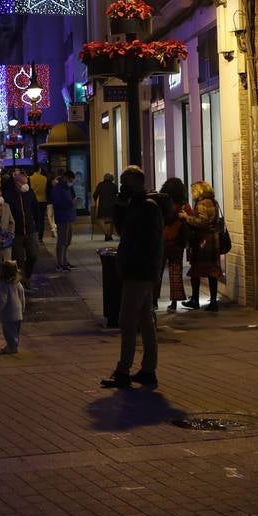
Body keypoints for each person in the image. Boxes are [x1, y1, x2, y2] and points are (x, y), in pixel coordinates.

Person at [101, 167, 164, 389]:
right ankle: (148, 369)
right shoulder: (136, 204)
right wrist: (120, 205)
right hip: (139, 270)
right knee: (145, 319)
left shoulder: (147, 207)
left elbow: (143, 241)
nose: (122, 186)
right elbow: (121, 230)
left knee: (127, 320)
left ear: (138, 182)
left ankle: (123, 370)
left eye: (125, 182)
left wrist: (145, 268)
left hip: (139, 271)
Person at [182, 181, 225, 311]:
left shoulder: (202, 204)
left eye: (193, 190)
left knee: (196, 269)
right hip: (213, 240)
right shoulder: (213, 202)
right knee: (212, 270)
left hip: (203, 241)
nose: (192, 194)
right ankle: (213, 301)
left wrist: (187, 217)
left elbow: (202, 222)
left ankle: (195, 299)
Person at [2, 169, 40, 287]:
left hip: (30, 230)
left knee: (33, 255)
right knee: (18, 259)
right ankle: (23, 281)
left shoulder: (30, 193)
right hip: (16, 232)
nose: (25, 185)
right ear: (16, 183)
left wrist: (37, 225)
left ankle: (27, 275)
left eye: (26, 182)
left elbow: (36, 208)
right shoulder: (8, 195)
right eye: (22, 183)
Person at [156, 178, 189, 312]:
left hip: (162, 241)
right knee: (175, 271)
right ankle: (174, 301)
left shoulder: (162, 203)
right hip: (177, 242)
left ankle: (153, 299)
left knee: (157, 271)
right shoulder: (183, 205)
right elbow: (190, 217)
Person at [0, 260, 26, 354]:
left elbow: (2, 299)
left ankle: (12, 347)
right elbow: (22, 297)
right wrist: (22, 308)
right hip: (18, 313)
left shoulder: (4, 284)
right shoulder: (18, 283)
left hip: (8, 313)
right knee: (15, 331)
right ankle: (13, 345)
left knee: (8, 332)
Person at [51, 171, 77, 271]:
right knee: (62, 240)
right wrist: (70, 203)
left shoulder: (69, 188)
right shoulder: (57, 189)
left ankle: (65, 261)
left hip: (69, 216)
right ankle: (60, 263)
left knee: (67, 241)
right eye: (70, 180)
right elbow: (56, 204)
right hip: (62, 218)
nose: (71, 182)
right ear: (65, 178)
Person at [93, 173, 119, 241]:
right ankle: (109, 235)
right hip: (112, 205)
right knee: (111, 220)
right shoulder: (114, 185)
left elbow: (95, 194)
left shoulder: (100, 184)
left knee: (100, 219)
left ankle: (106, 233)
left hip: (102, 205)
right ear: (111, 178)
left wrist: (95, 199)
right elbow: (116, 194)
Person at [29, 166, 51, 241]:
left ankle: (34, 234)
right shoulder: (44, 178)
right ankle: (40, 237)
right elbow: (47, 190)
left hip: (33, 201)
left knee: (34, 219)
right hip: (43, 201)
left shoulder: (30, 178)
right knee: (41, 220)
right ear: (40, 170)